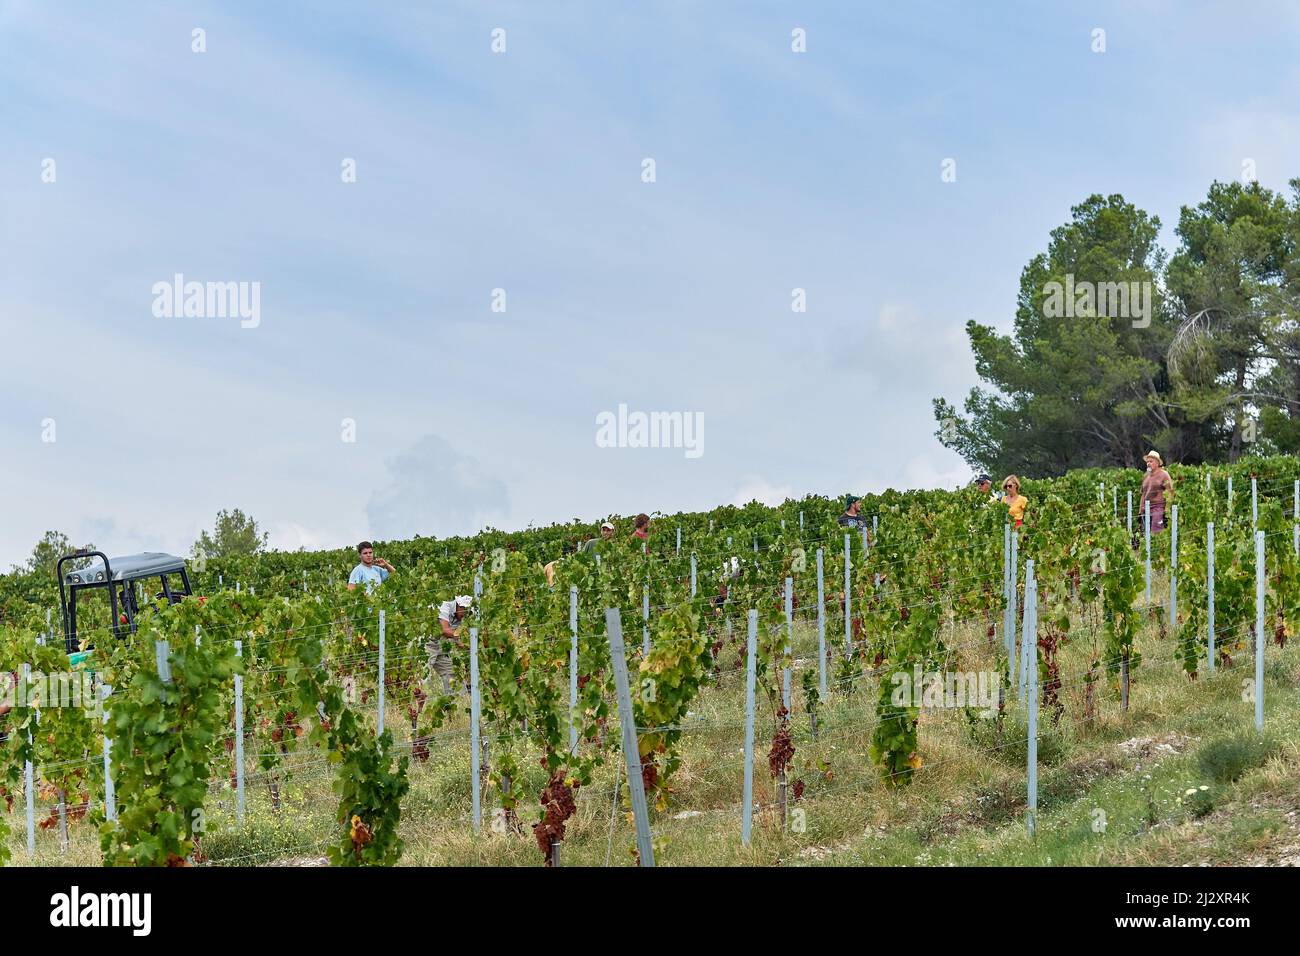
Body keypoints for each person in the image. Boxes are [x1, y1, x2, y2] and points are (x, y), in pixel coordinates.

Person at [427, 594, 473, 695]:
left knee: (451, 675)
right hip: (426, 646)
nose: (465, 614)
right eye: (464, 611)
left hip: (441, 648)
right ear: (459, 606)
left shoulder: (461, 618)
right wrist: (468, 639)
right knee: (422, 675)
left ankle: (455, 701)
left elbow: (457, 639)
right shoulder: (445, 607)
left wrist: (469, 646)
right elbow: (445, 630)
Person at [1141, 450, 1173, 532]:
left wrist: (1167, 509)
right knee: (1145, 533)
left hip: (1158, 508)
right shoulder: (1146, 476)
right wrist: (1140, 510)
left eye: (1151, 461)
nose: (1148, 463)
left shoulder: (1164, 475)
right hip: (1146, 509)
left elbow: (1170, 492)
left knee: (1156, 531)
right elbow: (1143, 494)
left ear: (1157, 463)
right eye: (1147, 462)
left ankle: (1157, 545)